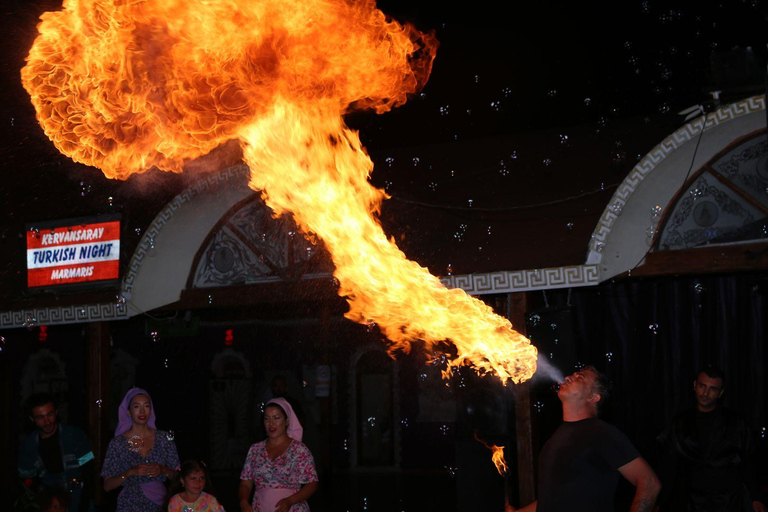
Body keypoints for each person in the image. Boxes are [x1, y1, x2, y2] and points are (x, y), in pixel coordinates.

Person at [507, 365, 661, 512]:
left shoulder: (602, 433)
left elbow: (650, 483)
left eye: (580, 378)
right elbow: (553, 500)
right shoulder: (554, 439)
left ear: (593, 397)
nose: (567, 377)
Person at [656, 366, 766, 512]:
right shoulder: (680, 422)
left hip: (729, 500)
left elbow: (748, 461)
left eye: (712, 389)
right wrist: (658, 501)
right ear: (695, 386)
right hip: (690, 500)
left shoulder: (736, 422)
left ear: (720, 393)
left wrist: (756, 497)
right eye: (702, 386)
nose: (706, 393)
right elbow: (669, 465)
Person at [101, 388, 180, 511]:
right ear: (128, 411)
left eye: (147, 406)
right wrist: (130, 473)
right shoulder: (118, 443)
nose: (142, 411)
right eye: (137, 406)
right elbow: (107, 486)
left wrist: (162, 469)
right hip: (128, 505)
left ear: (151, 410)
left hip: (159, 504)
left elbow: (180, 477)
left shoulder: (164, 439)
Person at [18, 392, 95, 512]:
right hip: (48, 502)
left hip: (78, 497)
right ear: (32, 419)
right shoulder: (28, 444)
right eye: (40, 417)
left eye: (50, 414)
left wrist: (83, 506)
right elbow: (27, 481)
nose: (47, 421)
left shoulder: (74, 435)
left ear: (56, 412)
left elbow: (89, 473)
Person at [239, 397, 318, 512]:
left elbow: (312, 484)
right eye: (267, 419)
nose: (271, 423)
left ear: (287, 421)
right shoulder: (255, 450)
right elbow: (246, 483)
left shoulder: (299, 450)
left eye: (276, 418)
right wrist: (243, 502)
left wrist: (290, 501)